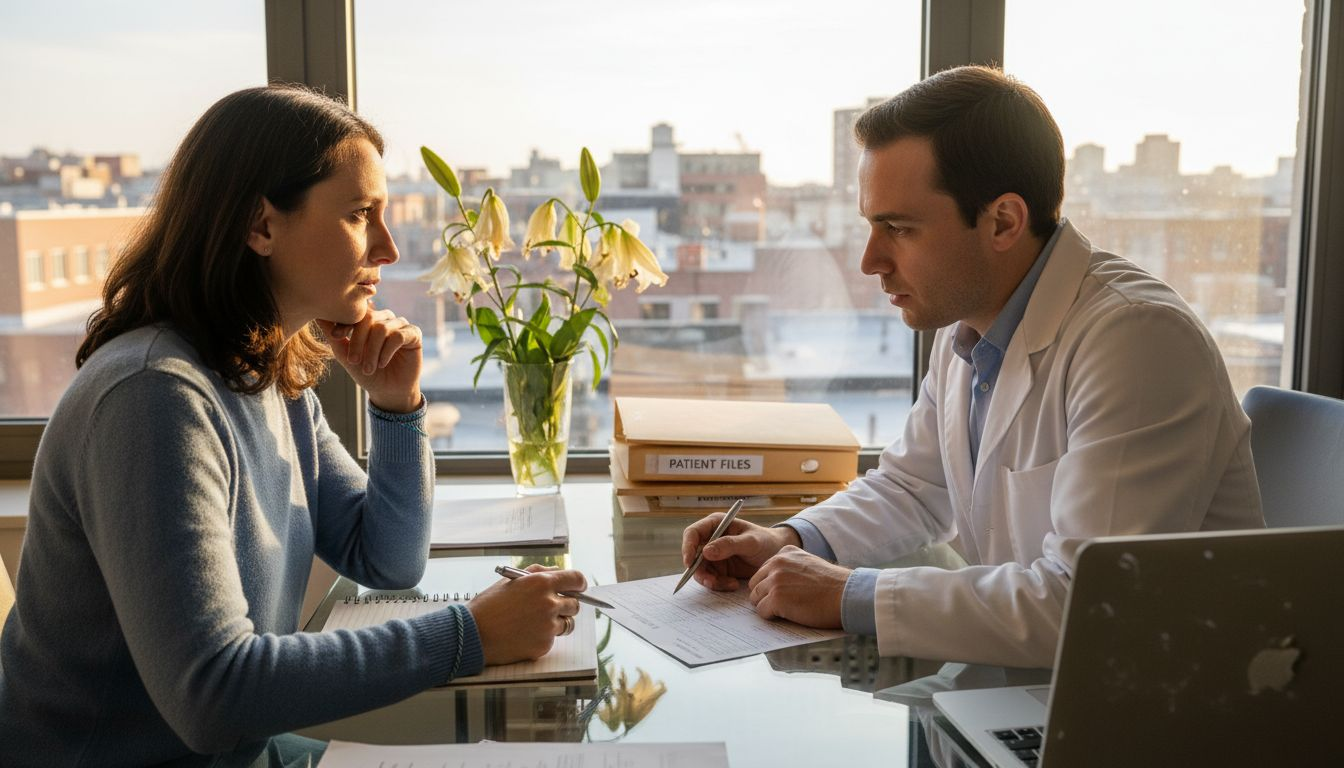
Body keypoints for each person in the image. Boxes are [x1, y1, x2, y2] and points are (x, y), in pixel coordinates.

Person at [0, 84, 587, 767]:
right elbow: (215, 696)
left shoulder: (264, 375)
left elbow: (388, 560)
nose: (390, 248)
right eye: (361, 215)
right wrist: (470, 634)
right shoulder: (153, 397)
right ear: (262, 226)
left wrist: (398, 410)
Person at [682, 65, 1264, 669]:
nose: (869, 261)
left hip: (1161, 702)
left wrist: (850, 594)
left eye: (899, 228)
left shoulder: (1138, 341)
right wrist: (790, 541)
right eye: (871, 225)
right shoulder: (973, 324)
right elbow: (912, 487)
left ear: (1004, 222)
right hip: (1035, 685)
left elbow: (1088, 602)